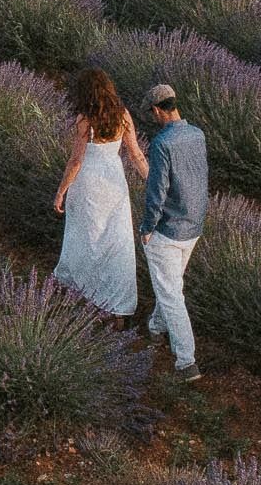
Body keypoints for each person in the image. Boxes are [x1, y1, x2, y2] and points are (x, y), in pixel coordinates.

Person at [50, 67, 148, 316]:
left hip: (88, 183)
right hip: (114, 181)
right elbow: (136, 155)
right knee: (116, 240)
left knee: (84, 236)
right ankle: (117, 303)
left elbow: (76, 161)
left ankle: (83, 289)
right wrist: (153, 181)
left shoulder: (85, 119)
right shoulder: (123, 115)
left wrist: (61, 191)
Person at [137, 82, 208, 382]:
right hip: (194, 225)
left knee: (172, 295)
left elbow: (157, 193)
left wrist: (147, 227)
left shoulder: (161, 143)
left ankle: (186, 363)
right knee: (170, 284)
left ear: (157, 110)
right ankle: (156, 327)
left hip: (168, 229)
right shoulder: (197, 134)